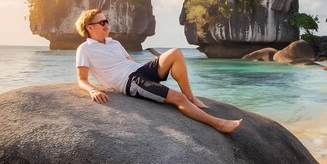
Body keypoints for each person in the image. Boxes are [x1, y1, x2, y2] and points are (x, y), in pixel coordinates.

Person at [75, 9, 242, 133]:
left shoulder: (114, 43)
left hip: (139, 70)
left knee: (175, 52)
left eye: (106, 21)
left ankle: (191, 96)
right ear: (90, 27)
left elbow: (129, 62)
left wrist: (152, 70)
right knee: (178, 98)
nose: (106, 25)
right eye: (102, 22)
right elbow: (82, 79)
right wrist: (92, 91)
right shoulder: (85, 49)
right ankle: (218, 124)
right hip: (131, 82)